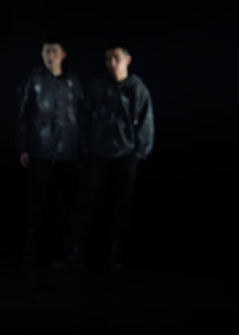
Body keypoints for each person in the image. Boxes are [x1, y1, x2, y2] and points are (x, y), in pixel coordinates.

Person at [64, 44, 154, 269]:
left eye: (116, 58)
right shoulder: (97, 87)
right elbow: (85, 118)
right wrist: (86, 148)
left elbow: (146, 123)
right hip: (97, 153)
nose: (112, 63)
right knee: (86, 202)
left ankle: (116, 252)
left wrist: (138, 152)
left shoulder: (137, 88)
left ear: (127, 59)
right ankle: (77, 250)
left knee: (121, 204)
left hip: (125, 154)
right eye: (108, 59)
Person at [15, 39, 84, 265]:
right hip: (39, 149)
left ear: (63, 54)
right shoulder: (34, 80)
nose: (49, 56)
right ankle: (31, 252)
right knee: (36, 202)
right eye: (46, 51)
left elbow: (81, 116)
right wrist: (23, 146)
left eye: (54, 51)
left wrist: (80, 149)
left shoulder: (73, 82)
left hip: (67, 151)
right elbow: (23, 115)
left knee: (66, 203)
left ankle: (67, 251)